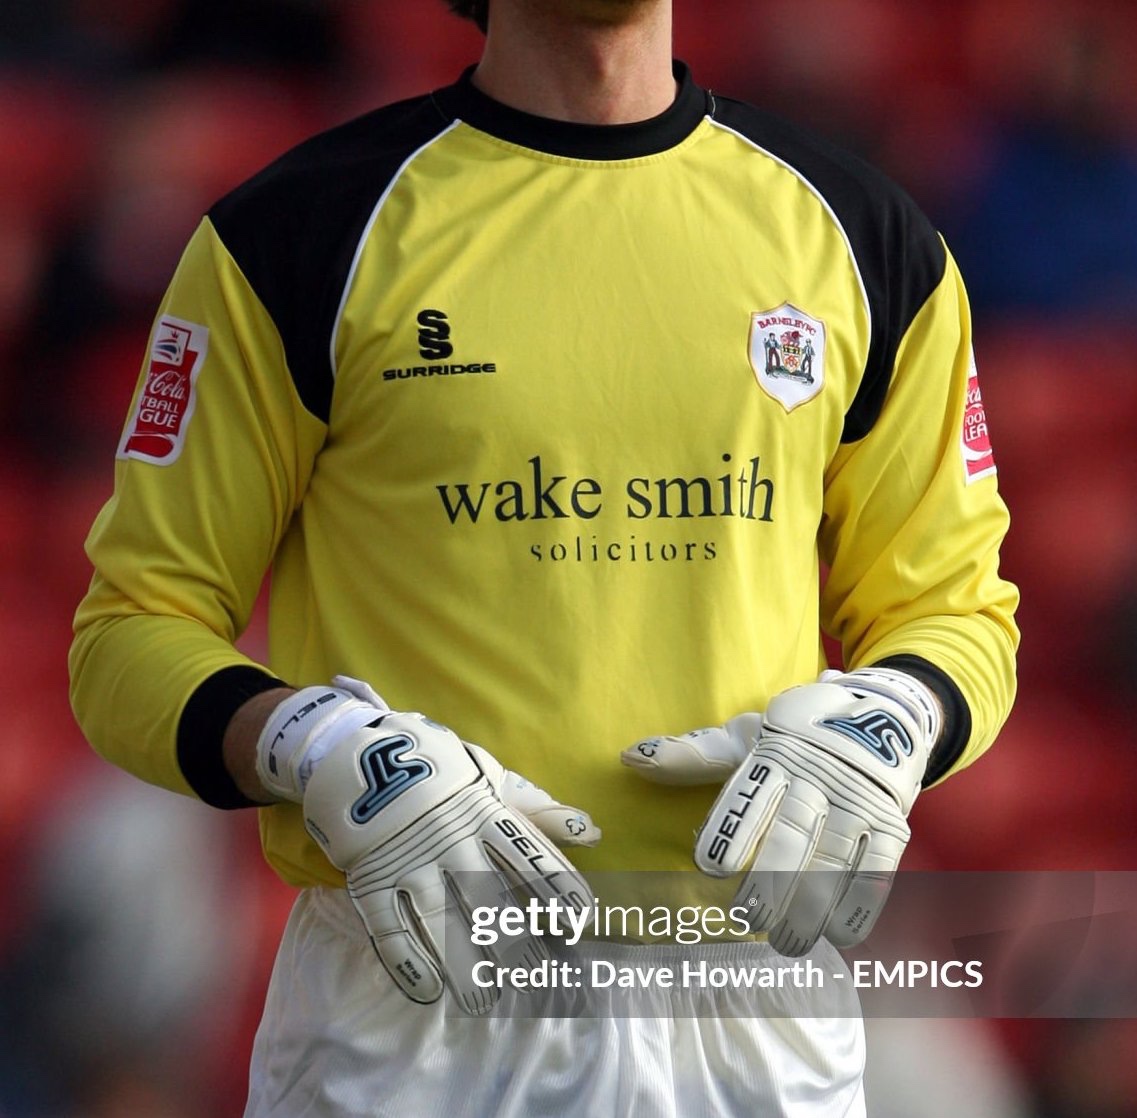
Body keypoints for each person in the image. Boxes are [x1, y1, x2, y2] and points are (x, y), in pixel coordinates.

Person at [68, 0, 1020, 1115]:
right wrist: (314, 744)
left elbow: (958, 614)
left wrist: (893, 717)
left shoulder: (864, 236)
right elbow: (129, 632)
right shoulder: (298, 233)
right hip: (422, 1001)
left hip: (752, 997)